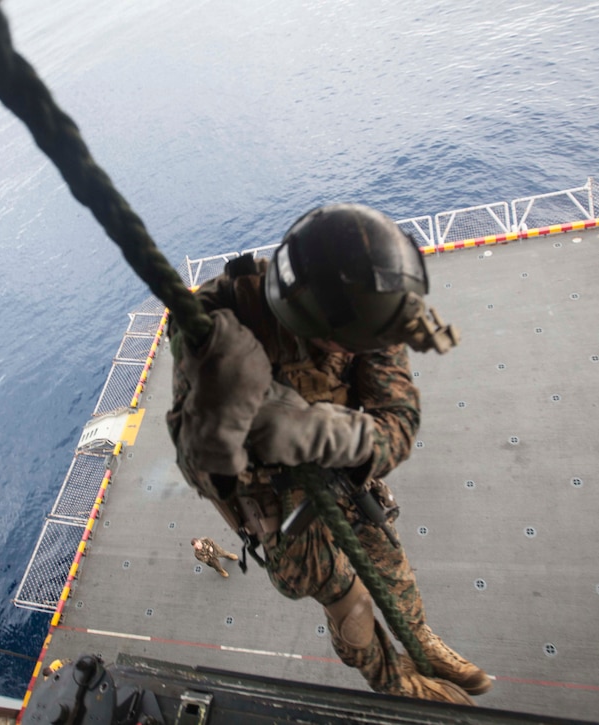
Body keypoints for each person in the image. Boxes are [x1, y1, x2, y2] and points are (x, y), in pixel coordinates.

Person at [166, 203, 488, 705]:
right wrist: (227, 425)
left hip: (344, 474)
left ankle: (420, 639)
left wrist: (330, 435)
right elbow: (197, 467)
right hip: (273, 498)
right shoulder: (215, 328)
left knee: (390, 563)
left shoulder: (370, 304)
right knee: (351, 605)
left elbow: (398, 419)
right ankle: (394, 679)